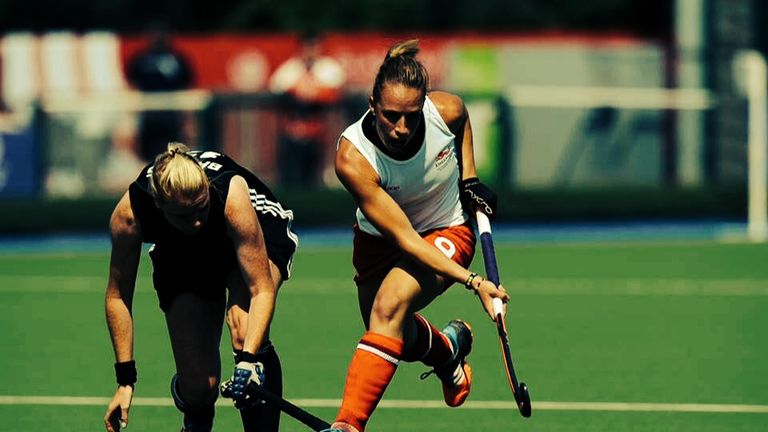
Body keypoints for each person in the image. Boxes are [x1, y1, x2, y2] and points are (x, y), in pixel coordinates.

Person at [322, 40, 510, 432]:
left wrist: (470, 178)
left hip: (448, 230)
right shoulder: (353, 158)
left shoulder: (446, 111)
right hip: (383, 241)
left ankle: (348, 425)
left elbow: (461, 124)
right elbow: (406, 238)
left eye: (411, 115)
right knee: (394, 334)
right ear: (372, 105)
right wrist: (476, 283)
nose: (402, 128)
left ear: (424, 104)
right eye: (391, 116)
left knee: (387, 310)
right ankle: (448, 352)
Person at [103, 143, 298, 432]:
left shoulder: (230, 198)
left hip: (252, 232)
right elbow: (118, 297)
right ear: (159, 204)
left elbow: (261, 290)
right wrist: (125, 380)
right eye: (183, 215)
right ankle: (195, 423)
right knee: (199, 387)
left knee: (245, 331)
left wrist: (248, 360)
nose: (196, 221)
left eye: (201, 208)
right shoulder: (130, 217)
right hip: (180, 251)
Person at [268, 34, 346, 187]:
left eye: (314, 47)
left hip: (321, 132)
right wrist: (298, 91)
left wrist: (315, 92)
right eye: (307, 48)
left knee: (315, 178)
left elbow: (338, 90)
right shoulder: (290, 69)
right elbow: (275, 89)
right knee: (292, 178)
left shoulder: (329, 68)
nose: (310, 52)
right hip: (294, 130)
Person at [126, 26, 194, 162]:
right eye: (154, 35)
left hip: (171, 114)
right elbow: (133, 84)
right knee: (148, 155)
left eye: (161, 35)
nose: (158, 39)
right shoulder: (141, 59)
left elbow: (186, 84)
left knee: (173, 153)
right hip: (148, 114)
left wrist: (186, 117)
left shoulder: (177, 59)